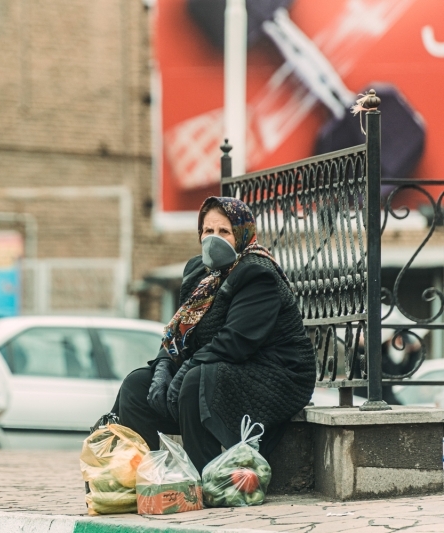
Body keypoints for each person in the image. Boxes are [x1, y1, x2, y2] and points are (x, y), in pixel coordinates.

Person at [113, 197, 316, 473]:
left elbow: (236, 342)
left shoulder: (257, 272)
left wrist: (185, 371)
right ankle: (144, 475)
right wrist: (164, 366)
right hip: (216, 364)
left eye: (224, 232)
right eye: (208, 231)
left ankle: (203, 477)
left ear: (242, 235)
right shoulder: (199, 272)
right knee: (137, 385)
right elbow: (182, 330)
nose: (214, 239)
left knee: (197, 381)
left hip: (273, 371)